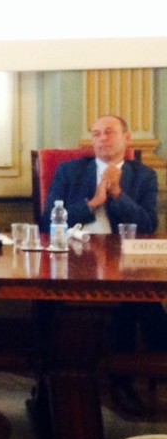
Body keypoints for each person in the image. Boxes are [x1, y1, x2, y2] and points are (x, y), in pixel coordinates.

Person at [41, 114, 162, 415]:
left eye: (109, 132)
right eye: (96, 133)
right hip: (73, 258)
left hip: (123, 262)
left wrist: (118, 194)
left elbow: (148, 225)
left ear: (127, 138)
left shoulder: (143, 176)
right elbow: (47, 222)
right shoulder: (70, 171)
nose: (102, 138)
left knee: (142, 302)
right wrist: (92, 203)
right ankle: (55, 379)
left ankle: (125, 380)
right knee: (50, 298)